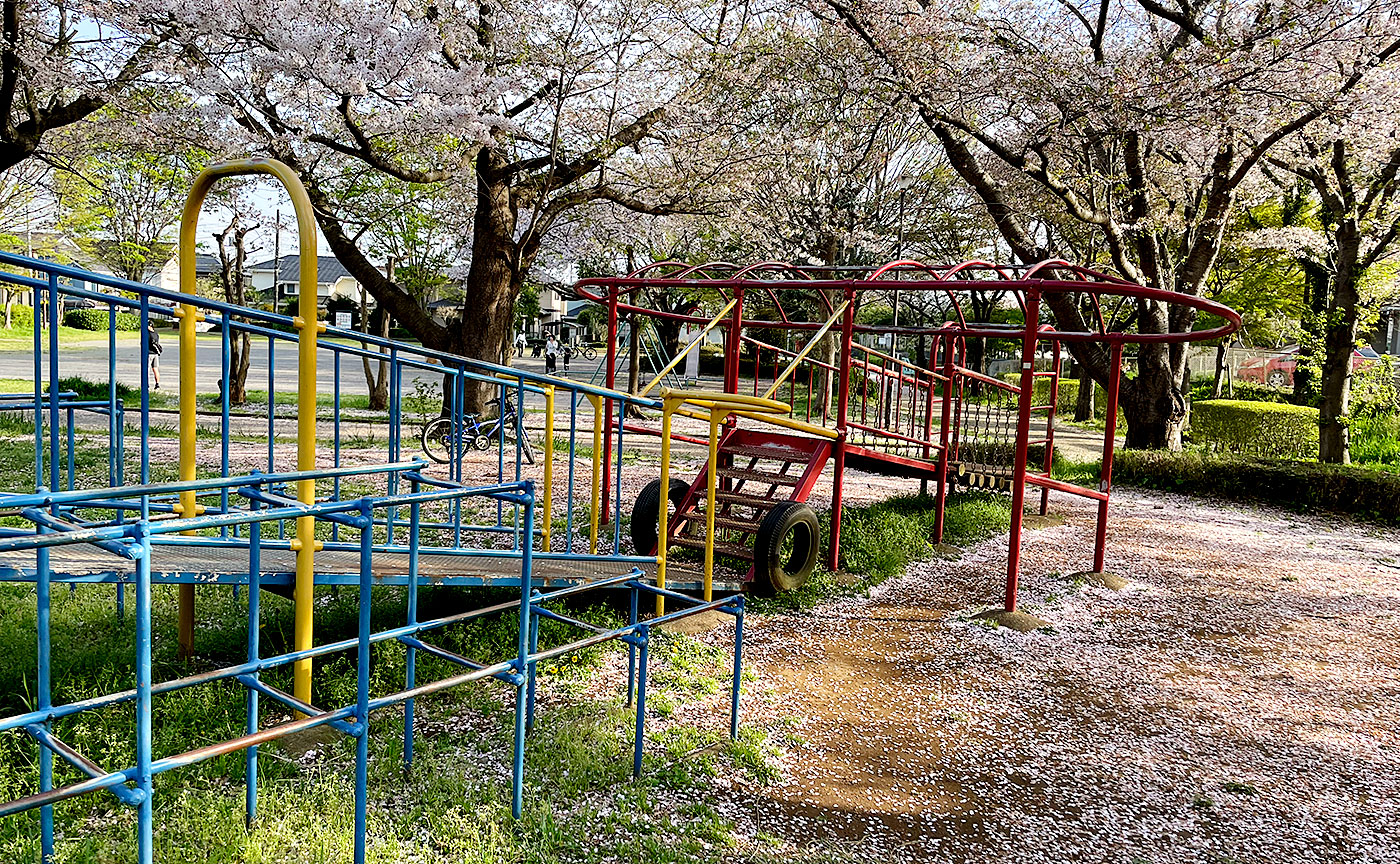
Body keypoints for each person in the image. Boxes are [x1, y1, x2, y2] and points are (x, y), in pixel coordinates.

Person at [146, 320, 163, 390]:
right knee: (155, 369)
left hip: (149, 353)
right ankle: (157, 384)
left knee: (147, 369)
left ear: (150, 326)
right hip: (155, 354)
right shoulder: (156, 334)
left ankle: (146, 385)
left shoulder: (147, 334)